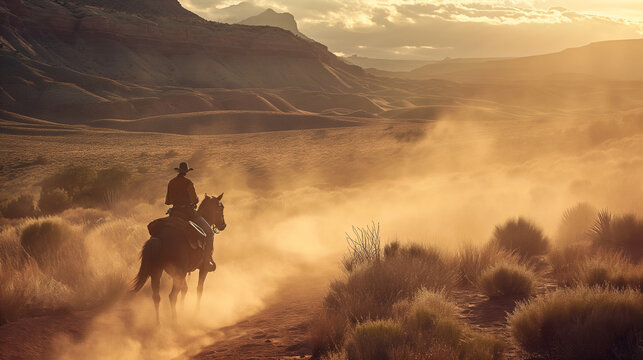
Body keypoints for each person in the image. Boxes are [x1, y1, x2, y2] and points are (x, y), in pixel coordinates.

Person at [165, 162, 216, 271]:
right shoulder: (188, 183)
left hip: (174, 213)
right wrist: (193, 201)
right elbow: (195, 200)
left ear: (178, 171)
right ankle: (206, 262)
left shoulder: (171, 182)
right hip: (188, 213)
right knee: (210, 233)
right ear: (187, 172)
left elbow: (168, 201)